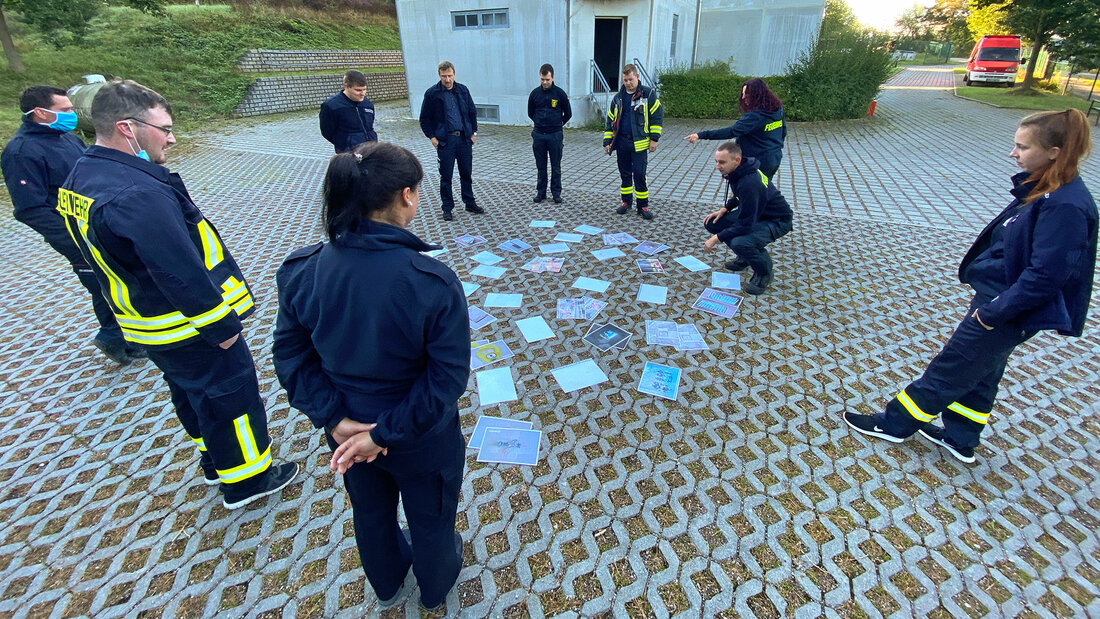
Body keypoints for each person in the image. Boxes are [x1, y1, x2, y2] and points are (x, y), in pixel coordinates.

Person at [58, 80, 298, 509]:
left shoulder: (83, 174)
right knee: (231, 394)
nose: (171, 138)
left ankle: (216, 461)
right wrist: (220, 326)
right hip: (187, 326)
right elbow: (179, 271)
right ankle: (248, 480)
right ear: (128, 129)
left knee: (191, 392)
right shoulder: (137, 195)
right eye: (164, 128)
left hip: (147, 323)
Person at [273, 142, 469, 612]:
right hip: (419, 437)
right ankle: (435, 589)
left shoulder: (302, 270)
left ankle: (386, 584)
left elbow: (291, 357)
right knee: (431, 520)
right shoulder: (431, 281)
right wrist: (383, 433)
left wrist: (334, 418)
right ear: (406, 195)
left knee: (372, 513)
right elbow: (446, 381)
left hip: (345, 434)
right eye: (418, 192)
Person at [844, 110, 1097, 464]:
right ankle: (961, 436)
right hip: (1001, 301)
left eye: (1022, 147)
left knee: (951, 367)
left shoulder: (1066, 206)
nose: (1014, 153)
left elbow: (1046, 275)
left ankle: (894, 424)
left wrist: (992, 313)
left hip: (1006, 307)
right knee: (981, 371)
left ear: (1055, 151)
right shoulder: (1048, 188)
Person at [2, 85, 143, 364]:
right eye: (65, 110)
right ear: (41, 113)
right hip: (74, 234)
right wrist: (73, 239)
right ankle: (112, 337)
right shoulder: (21, 152)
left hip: (98, 224)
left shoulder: (65, 138)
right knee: (102, 282)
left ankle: (125, 337)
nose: (71, 115)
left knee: (115, 279)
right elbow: (30, 209)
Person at [702, 141, 793, 295]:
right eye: (716, 161)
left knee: (741, 242)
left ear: (737, 160)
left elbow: (745, 224)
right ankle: (745, 258)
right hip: (758, 212)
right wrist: (725, 208)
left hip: (776, 219)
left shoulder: (749, 181)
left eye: (722, 162)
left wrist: (717, 238)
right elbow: (739, 195)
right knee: (713, 222)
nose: (718, 166)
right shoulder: (740, 171)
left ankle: (764, 272)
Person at [685, 78, 787, 180]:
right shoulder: (777, 110)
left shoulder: (754, 117)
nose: (743, 98)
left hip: (757, 162)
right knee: (763, 190)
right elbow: (783, 131)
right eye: (742, 94)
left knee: (746, 192)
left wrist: (701, 135)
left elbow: (730, 132)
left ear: (756, 95)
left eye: (746, 95)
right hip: (774, 159)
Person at [419, 61, 483, 221]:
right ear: (439, 75)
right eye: (444, 76)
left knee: (466, 173)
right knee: (446, 176)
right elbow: (424, 118)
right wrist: (432, 138)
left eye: (450, 76)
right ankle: (447, 207)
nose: (447, 79)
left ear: (454, 74)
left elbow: (472, 112)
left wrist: (473, 132)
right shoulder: (432, 94)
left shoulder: (462, 90)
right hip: (445, 141)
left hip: (464, 139)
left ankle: (469, 202)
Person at [603, 64, 663, 220]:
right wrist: (607, 141)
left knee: (639, 174)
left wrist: (654, 139)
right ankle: (626, 202)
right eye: (625, 80)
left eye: (630, 79)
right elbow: (610, 120)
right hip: (622, 142)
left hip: (640, 143)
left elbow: (657, 117)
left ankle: (642, 206)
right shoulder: (618, 98)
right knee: (624, 174)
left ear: (637, 77)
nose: (628, 83)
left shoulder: (648, 95)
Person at [527, 63, 572, 204]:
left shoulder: (560, 94)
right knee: (541, 166)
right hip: (539, 135)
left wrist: (557, 124)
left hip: (555, 135)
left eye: (547, 79)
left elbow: (568, 114)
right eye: (542, 79)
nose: (545, 82)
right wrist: (540, 124)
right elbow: (530, 113)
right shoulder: (534, 94)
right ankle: (541, 192)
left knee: (556, 166)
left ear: (552, 78)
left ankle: (556, 193)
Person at [319, 70, 377, 153]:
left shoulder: (368, 104)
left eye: (364, 89)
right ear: (346, 87)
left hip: (371, 151)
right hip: (348, 154)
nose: (362, 93)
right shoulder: (331, 106)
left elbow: (369, 127)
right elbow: (327, 132)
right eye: (358, 90)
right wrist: (344, 143)